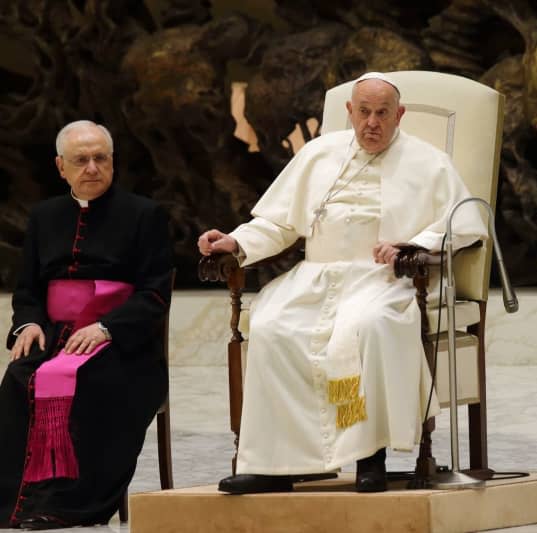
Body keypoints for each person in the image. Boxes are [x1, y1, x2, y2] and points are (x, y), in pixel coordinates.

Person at [198, 72, 486, 494]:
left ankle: (370, 455)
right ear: (350, 112)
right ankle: (275, 463)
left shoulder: (430, 163)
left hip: (386, 280)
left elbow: (464, 222)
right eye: (364, 112)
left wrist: (414, 243)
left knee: (365, 326)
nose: (372, 122)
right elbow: (279, 223)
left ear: (399, 115)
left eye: (382, 113)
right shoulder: (318, 154)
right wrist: (236, 241)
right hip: (316, 277)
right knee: (271, 324)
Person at [0, 121, 173, 529]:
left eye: (101, 158)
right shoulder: (44, 216)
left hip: (121, 344)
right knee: (18, 381)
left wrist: (107, 327)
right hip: (54, 336)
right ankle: (13, 505)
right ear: (61, 167)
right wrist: (27, 325)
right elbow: (28, 290)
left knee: (95, 384)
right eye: (81, 160)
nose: (92, 167)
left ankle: (67, 505)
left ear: (113, 162)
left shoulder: (145, 215)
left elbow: (155, 294)